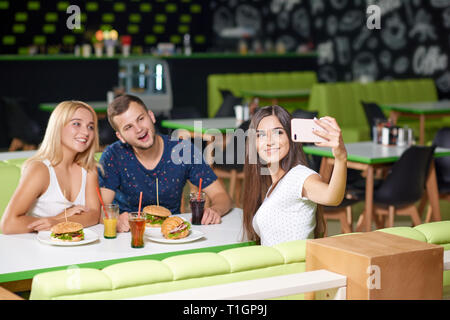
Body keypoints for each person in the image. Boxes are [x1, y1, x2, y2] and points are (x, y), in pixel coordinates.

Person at [98, 94, 232, 232]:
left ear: (151, 116)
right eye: (128, 127)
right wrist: (115, 220)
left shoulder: (182, 150)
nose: (139, 129)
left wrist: (214, 210)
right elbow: (101, 210)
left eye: (141, 119)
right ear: (121, 137)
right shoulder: (113, 155)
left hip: (172, 232)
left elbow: (221, 196)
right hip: (129, 234)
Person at [242, 105, 347, 246]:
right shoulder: (273, 185)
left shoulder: (299, 176)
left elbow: (332, 197)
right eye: (261, 135)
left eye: (278, 133)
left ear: (291, 138)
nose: (268, 141)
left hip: (293, 266)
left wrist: (341, 157)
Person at [0, 101, 101, 234]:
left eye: (90, 127)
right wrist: (56, 219)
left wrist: (59, 222)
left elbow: (94, 215)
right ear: (58, 126)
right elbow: (8, 224)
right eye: (76, 124)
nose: (86, 132)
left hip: (73, 247)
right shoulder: (40, 170)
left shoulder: (89, 168)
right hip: (35, 248)